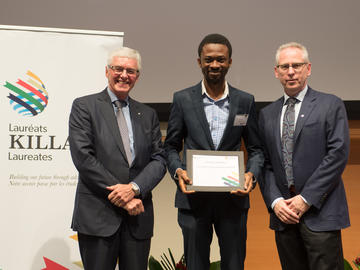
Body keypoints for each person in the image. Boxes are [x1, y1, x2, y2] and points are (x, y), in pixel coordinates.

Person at [164, 33, 264, 270]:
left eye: (221, 59)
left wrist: (251, 175)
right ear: (199, 62)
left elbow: (256, 149)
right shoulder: (183, 99)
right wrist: (178, 170)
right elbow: (169, 146)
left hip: (233, 201)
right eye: (208, 59)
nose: (215, 65)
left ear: (230, 61)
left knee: (234, 265)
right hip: (193, 201)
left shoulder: (245, 101)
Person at [68, 47, 166, 270]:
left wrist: (134, 188)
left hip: (137, 216)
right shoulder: (85, 107)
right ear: (107, 71)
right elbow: (84, 157)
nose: (124, 75)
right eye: (118, 69)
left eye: (130, 71)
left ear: (137, 76)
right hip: (98, 215)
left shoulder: (148, 114)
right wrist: (122, 195)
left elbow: (159, 159)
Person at [258, 42, 350, 270]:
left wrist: (305, 198)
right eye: (284, 66)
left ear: (308, 69)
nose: (290, 71)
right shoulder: (267, 114)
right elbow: (265, 163)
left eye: (296, 66)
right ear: (276, 71)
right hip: (284, 217)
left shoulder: (330, 104)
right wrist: (275, 201)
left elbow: (337, 155)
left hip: (321, 214)